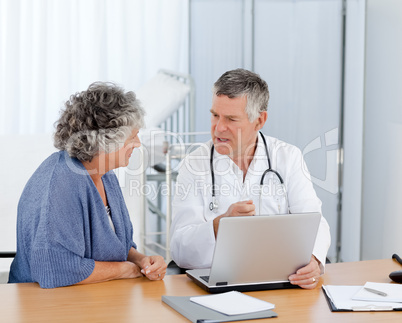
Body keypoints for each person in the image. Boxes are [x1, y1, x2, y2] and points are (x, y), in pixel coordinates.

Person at [170, 69, 331, 289]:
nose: (218, 128)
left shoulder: (288, 157)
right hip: (217, 287)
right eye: (215, 115)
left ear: (260, 120)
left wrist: (314, 260)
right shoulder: (194, 164)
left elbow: (315, 221)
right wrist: (220, 224)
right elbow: (179, 249)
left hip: (281, 282)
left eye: (231, 119)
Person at [8, 82, 167, 288]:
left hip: (97, 295)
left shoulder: (104, 174)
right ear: (106, 141)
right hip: (45, 304)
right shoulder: (62, 183)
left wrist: (142, 260)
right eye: (132, 136)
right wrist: (125, 269)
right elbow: (56, 269)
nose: (137, 144)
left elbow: (116, 245)